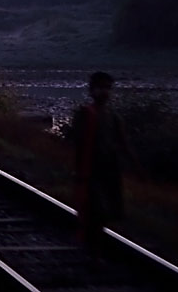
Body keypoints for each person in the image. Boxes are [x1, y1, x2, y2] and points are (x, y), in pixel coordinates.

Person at [72, 72, 132, 256]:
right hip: (91, 171)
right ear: (91, 91)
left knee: (103, 213)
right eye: (100, 87)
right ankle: (93, 250)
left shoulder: (113, 116)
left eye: (107, 88)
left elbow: (123, 143)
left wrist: (135, 167)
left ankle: (93, 248)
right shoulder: (85, 114)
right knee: (96, 211)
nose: (104, 92)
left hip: (109, 171)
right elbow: (77, 143)